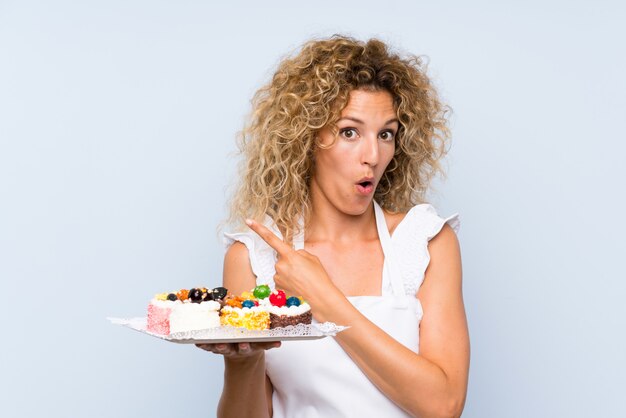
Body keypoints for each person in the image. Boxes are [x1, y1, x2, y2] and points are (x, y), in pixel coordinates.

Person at [198, 35, 470, 418]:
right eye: (349, 132)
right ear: (306, 137)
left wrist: (324, 298)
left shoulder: (425, 242)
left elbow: (443, 405)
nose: (373, 156)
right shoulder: (255, 258)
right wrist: (242, 361)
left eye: (386, 134)